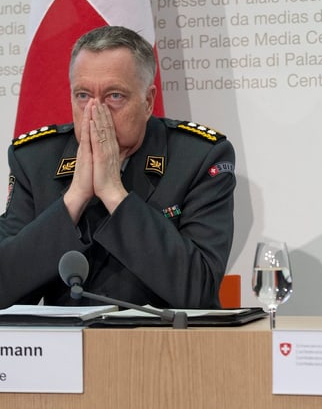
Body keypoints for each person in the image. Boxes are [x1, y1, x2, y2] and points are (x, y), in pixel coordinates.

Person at [0, 25, 235, 309]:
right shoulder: (35, 159)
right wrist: (73, 199)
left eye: (114, 96)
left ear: (148, 102)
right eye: (83, 95)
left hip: (165, 347)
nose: (94, 112)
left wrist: (113, 192)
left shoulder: (198, 157)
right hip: (66, 348)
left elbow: (199, 291)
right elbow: (5, 290)